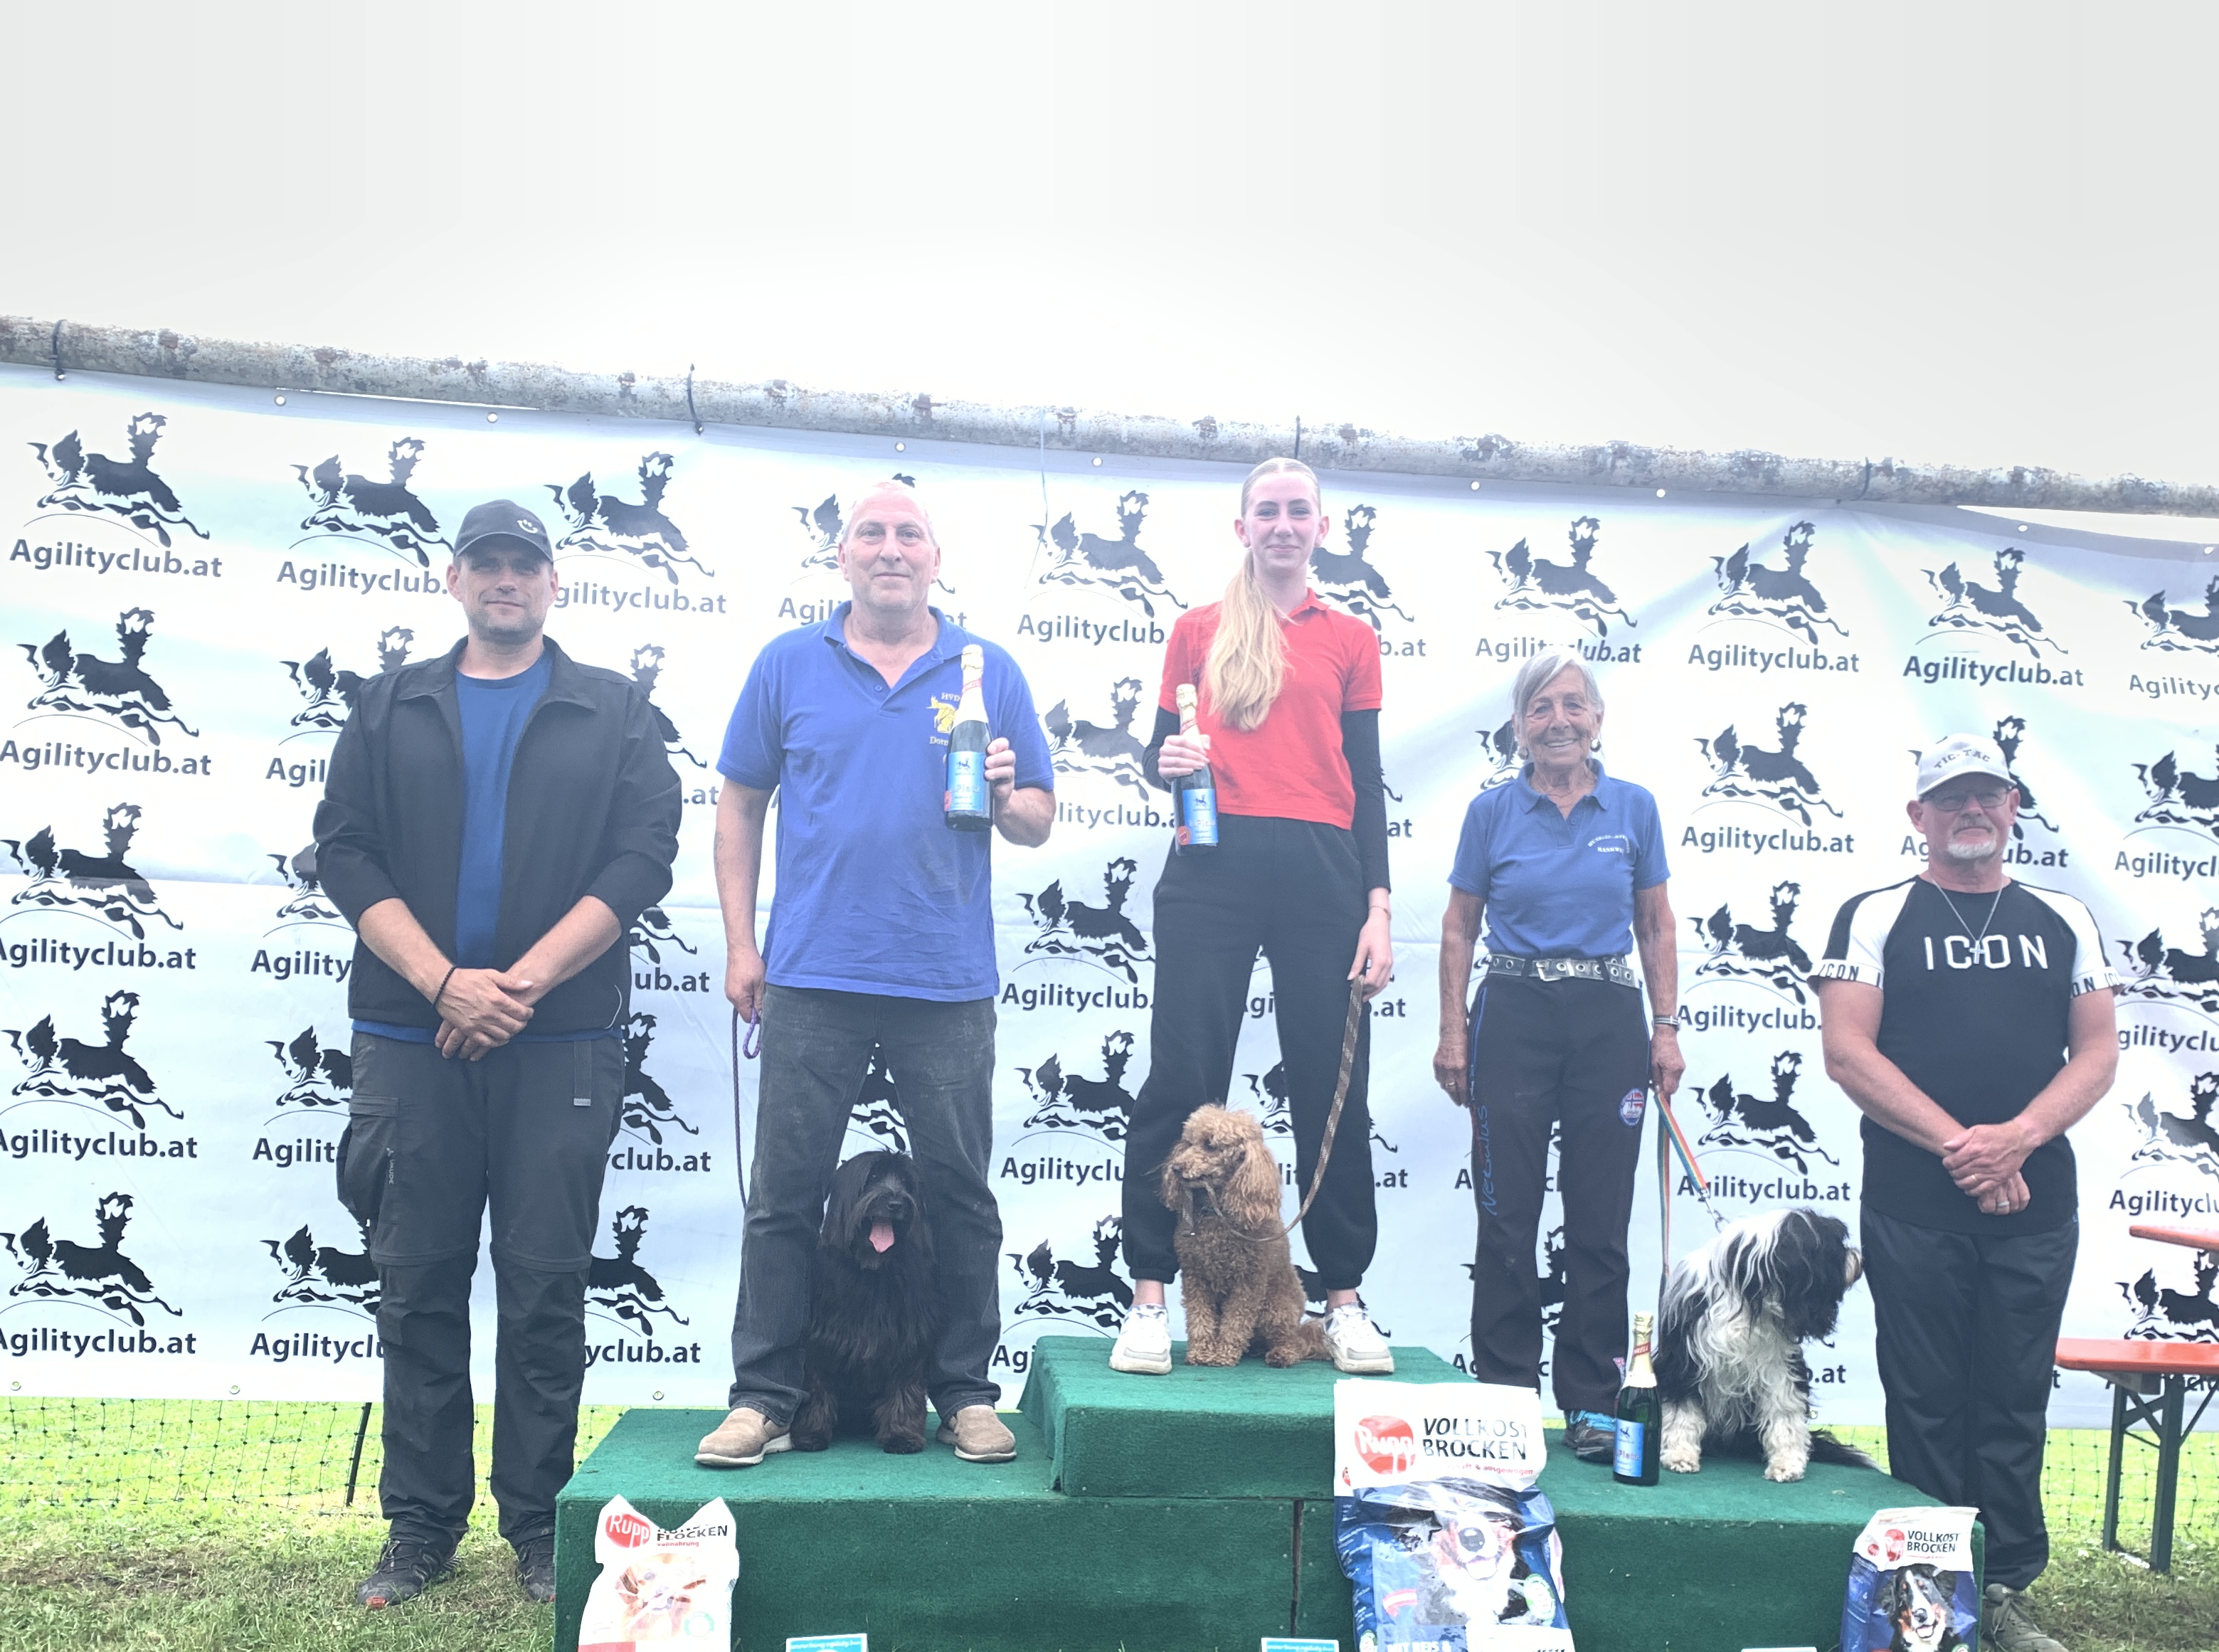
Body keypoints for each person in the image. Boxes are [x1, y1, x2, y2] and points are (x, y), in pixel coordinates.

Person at [315, 499, 682, 1609]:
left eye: (526, 564)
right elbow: (344, 853)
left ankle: (539, 1527)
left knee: (543, 1291)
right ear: (454, 579)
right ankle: (419, 1529)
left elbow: (642, 860)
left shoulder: (615, 710)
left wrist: (517, 987)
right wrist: (444, 982)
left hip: (558, 1040)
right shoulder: (388, 706)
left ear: (554, 582)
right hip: (410, 1038)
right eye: (488, 563)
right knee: (417, 1285)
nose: (506, 580)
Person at [698, 482, 1055, 1467]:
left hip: (945, 979)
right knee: (785, 1197)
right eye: (871, 533)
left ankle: (964, 1394)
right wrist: (741, 945)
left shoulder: (986, 670)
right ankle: (763, 1398)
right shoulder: (787, 664)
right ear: (842, 555)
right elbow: (739, 806)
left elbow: (1037, 819)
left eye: (909, 534)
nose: (890, 549)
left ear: (936, 558)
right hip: (813, 974)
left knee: (961, 1198)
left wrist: (1005, 796)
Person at [1813, 734, 2118, 1652]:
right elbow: (1847, 1054)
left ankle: (2008, 1585)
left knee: (2013, 1398)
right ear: (1919, 816)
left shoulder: (2064, 917)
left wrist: (2019, 1138)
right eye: (1951, 798)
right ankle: (1928, 1589)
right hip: (1914, 1202)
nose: (1971, 810)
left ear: (2014, 807)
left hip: (2037, 1203)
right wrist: (1967, 1148)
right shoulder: (1873, 914)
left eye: (1988, 795)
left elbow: (2098, 1052)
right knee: (1926, 1398)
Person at [1108, 457, 1398, 1377]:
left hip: (1323, 871)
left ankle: (1342, 1298)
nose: (1282, 524)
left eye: (1297, 511)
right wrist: (1165, 761)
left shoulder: (1351, 637)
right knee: (1181, 1079)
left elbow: (1366, 781)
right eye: (1265, 511)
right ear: (1243, 528)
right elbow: (1162, 751)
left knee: (1330, 1088)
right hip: (1212, 864)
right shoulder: (1197, 628)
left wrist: (1379, 906)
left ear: (1321, 527)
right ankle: (1149, 1296)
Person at [1434, 657, 1678, 1427]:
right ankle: (1505, 1399)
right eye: (1541, 708)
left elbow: (1656, 926)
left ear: (1598, 719)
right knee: (1507, 1214)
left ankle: (1593, 1401)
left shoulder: (1634, 807)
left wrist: (1666, 1028)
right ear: (1519, 726)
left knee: (1600, 1217)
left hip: (1609, 1016)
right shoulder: (1491, 812)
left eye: (1574, 705)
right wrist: (1452, 1032)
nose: (1559, 721)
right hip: (1513, 1012)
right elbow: (1458, 928)